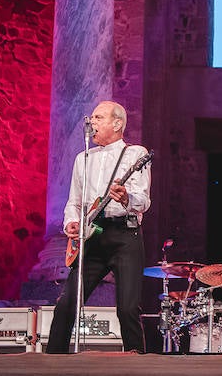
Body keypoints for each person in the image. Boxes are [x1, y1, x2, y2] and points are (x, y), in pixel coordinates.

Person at [45, 101, 151, 354]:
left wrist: (125, 197)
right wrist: (71, 222)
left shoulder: (135, 154)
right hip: (94, 236)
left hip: (125, 235)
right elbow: (75, 201)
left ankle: (138, 366)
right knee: (67, 304)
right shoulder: (83, 158)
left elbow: (143, 199)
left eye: (99, 117)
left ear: (117, 124)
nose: (92, 122)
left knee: (127, 309)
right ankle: (52, 363)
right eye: (92, 118)